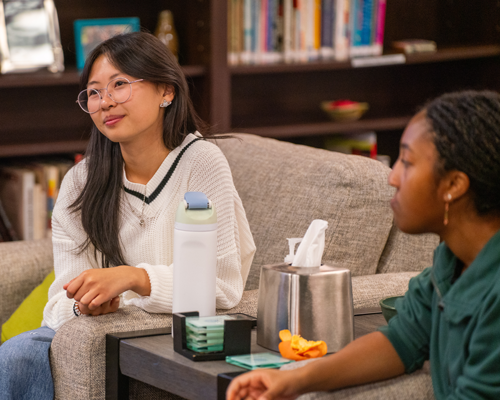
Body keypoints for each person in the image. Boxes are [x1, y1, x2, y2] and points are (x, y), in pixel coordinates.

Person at [0, 31, 255, 399]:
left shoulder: (201, 163)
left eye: (119, 85)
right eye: (94, 92)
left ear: (166, 91)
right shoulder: (79, 182)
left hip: (175, 331)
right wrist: (82, 304)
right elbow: (56, 307)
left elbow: (224, 284)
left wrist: (135, 278)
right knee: (16, 356)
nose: (105, 102)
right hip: (96, 332)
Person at [227, 90, 500, 400]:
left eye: (407, 163)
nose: (392, 177)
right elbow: (400, 341)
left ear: (453, 185)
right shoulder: (450, 263)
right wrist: (293, 380)